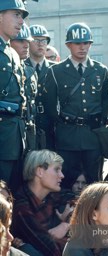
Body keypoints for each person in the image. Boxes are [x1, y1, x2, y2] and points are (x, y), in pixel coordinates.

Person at [43, 22, 108, 185]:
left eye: (86, 43)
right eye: (77, 43)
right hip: (67, 136)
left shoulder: (100, 70)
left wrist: (99, 124)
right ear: (68, 45)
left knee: (94, 181)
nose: (82, 47)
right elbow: (50, 106)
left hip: (92, 136)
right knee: (67, 181)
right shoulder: (56, 71)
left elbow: (105, 102)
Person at [11, 149, 73, 256]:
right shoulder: (21, 205)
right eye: (56, 170)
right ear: (40, 171)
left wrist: (67, 224)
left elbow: (82, 200)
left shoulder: (51, 194)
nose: (62, 175)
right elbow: (46, 245)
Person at [0, 0, 29, 195]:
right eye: (16, 15)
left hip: (15, 138)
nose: (21, 21)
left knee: (12, 195)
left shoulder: (12, 52)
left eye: (22, 16)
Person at [26, 24, 55, 150]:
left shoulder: (56, 69)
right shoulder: (21, 67)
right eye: (36, 40)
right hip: (29, 123)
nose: (40, 44)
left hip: (51, 124)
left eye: (44, 40)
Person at [10, 23, 38, 153]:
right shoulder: (6, 69)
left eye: (27, 41)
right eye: (20, 41)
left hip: (28, 132)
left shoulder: (30, 71)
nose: (26, 45)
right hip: (9, 132)